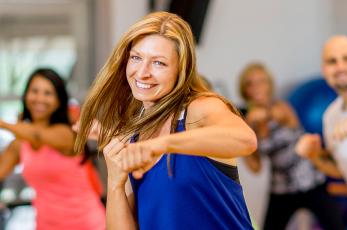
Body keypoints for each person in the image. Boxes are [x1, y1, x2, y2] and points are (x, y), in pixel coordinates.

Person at [75, 11, 257, 230]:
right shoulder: (133, 134)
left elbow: (245, 140)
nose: (142, 73)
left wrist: (162, 144)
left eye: (159, 63)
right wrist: (115, 182)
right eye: (136, 57)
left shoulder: (199, 109)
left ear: (181, 70)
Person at [239, 62, 345, 230]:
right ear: (245, 90)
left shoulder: (282, 107)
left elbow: (280, 117)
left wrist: (259, 116)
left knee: (336, 225)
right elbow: (255, 167)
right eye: (251, 83)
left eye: (261, 81)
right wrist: (245, 135)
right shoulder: (249, 123)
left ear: (269, 85)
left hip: (310, 181)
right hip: (281, 189)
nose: (257, 87)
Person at [0, 68, 105, 230]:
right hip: (46, 224)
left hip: (87, 224)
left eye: (48, 93)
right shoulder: (20, 143)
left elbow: (37, 135)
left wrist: (3, 124)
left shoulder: (67, 133)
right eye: (34, 91)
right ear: (26, 95)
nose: (40, 98)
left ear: (58, 101)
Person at [296, 35, 347, 230]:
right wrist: (314, 157)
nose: (340, 67)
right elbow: (341, 169)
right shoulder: (330, 116)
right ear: (324, 70)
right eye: (332, 61)